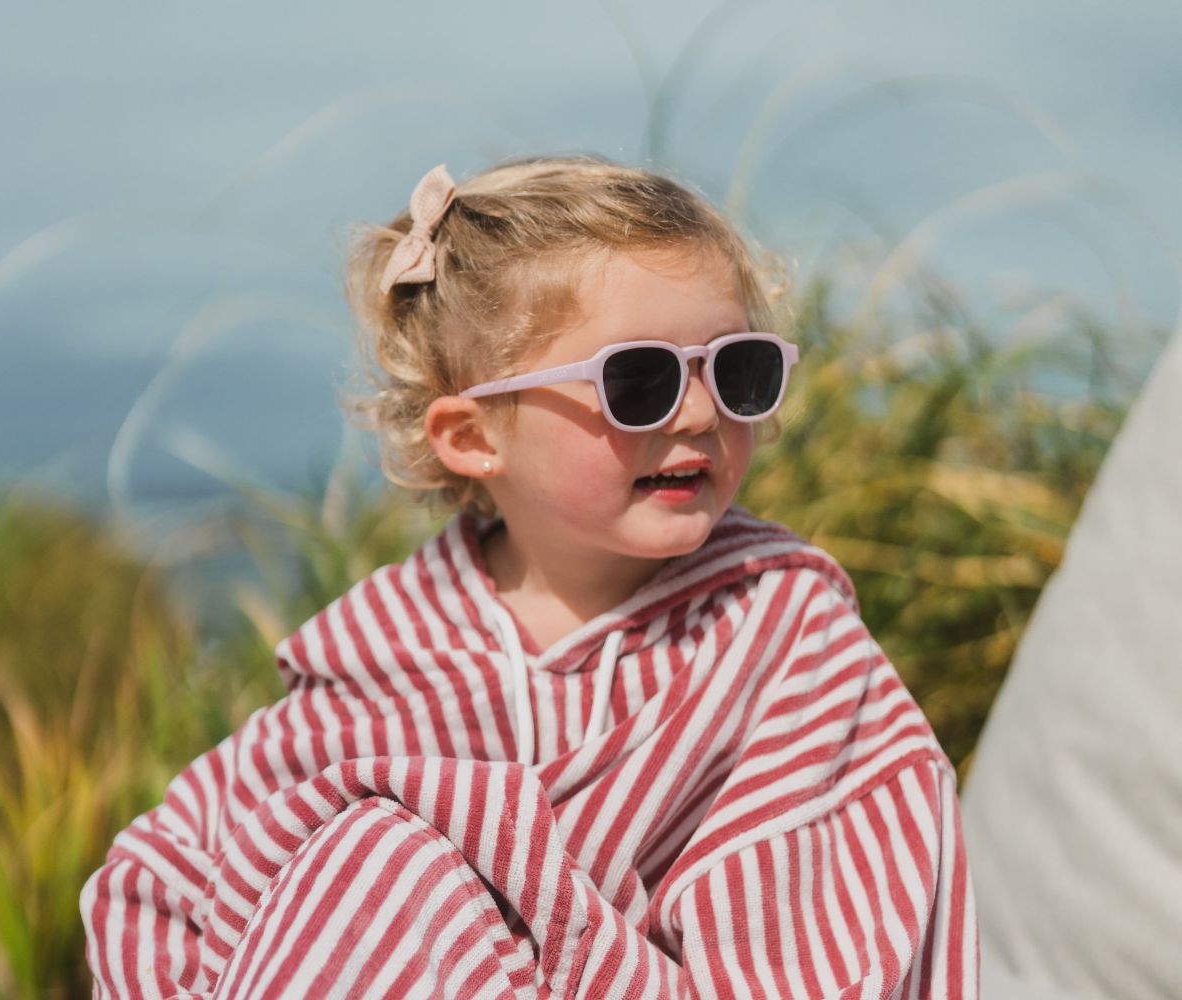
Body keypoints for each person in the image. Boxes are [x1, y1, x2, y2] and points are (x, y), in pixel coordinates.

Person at [80, 157, 979, 998]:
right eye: (639, 383)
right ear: (472, 437)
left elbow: (818, 936)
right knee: (371, 861)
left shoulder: (783, 637)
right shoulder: (392, 648)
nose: (703, 413)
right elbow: (171, 871)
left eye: (738, 370)